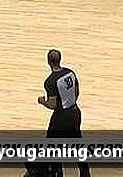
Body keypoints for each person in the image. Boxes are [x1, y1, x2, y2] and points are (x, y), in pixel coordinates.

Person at [38, 49, 91, 177]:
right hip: (75, 112)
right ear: (59, 59)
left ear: (48, 61)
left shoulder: (50, 81)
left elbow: (53, 105)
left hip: (61, 117)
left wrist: (42, 101)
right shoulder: (70, 73)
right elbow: (77, 92)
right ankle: (85, 174)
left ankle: (57, 174)